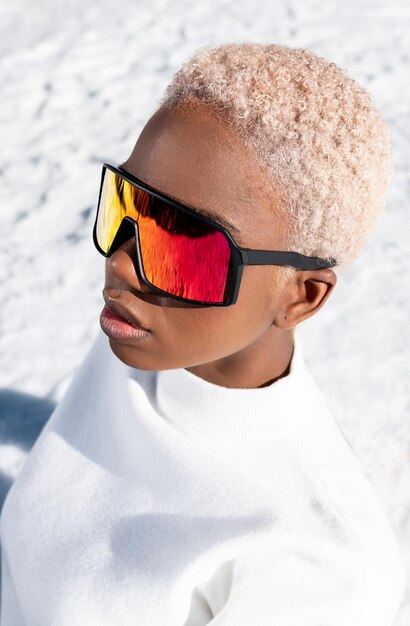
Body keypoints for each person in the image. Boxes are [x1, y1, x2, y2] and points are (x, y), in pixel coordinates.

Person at [0, 42, 406, 625]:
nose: (122, 264)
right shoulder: (146, 340)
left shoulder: (322, 569)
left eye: (185, 246)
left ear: (301, 296)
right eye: (125, 207)